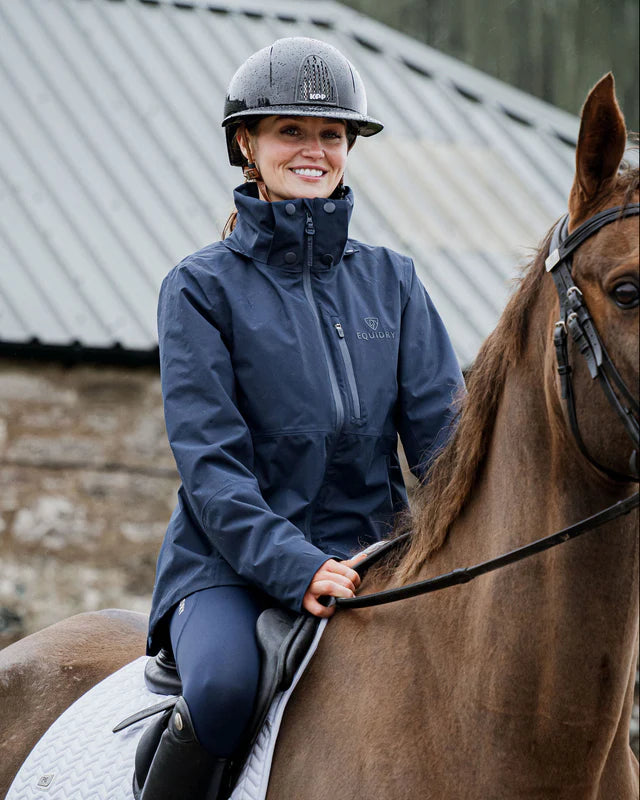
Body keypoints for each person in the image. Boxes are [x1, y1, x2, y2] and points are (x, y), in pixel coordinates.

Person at [134, 37, 464, 800]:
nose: (312, 150)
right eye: (290, 131)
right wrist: (295, 566)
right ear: (246, 145)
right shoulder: (198, 290)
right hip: (231, 569)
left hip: (374, 556)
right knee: (219, 692)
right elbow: (212, 469)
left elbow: (447, 447)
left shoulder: (396, 281)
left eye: (330, 135)